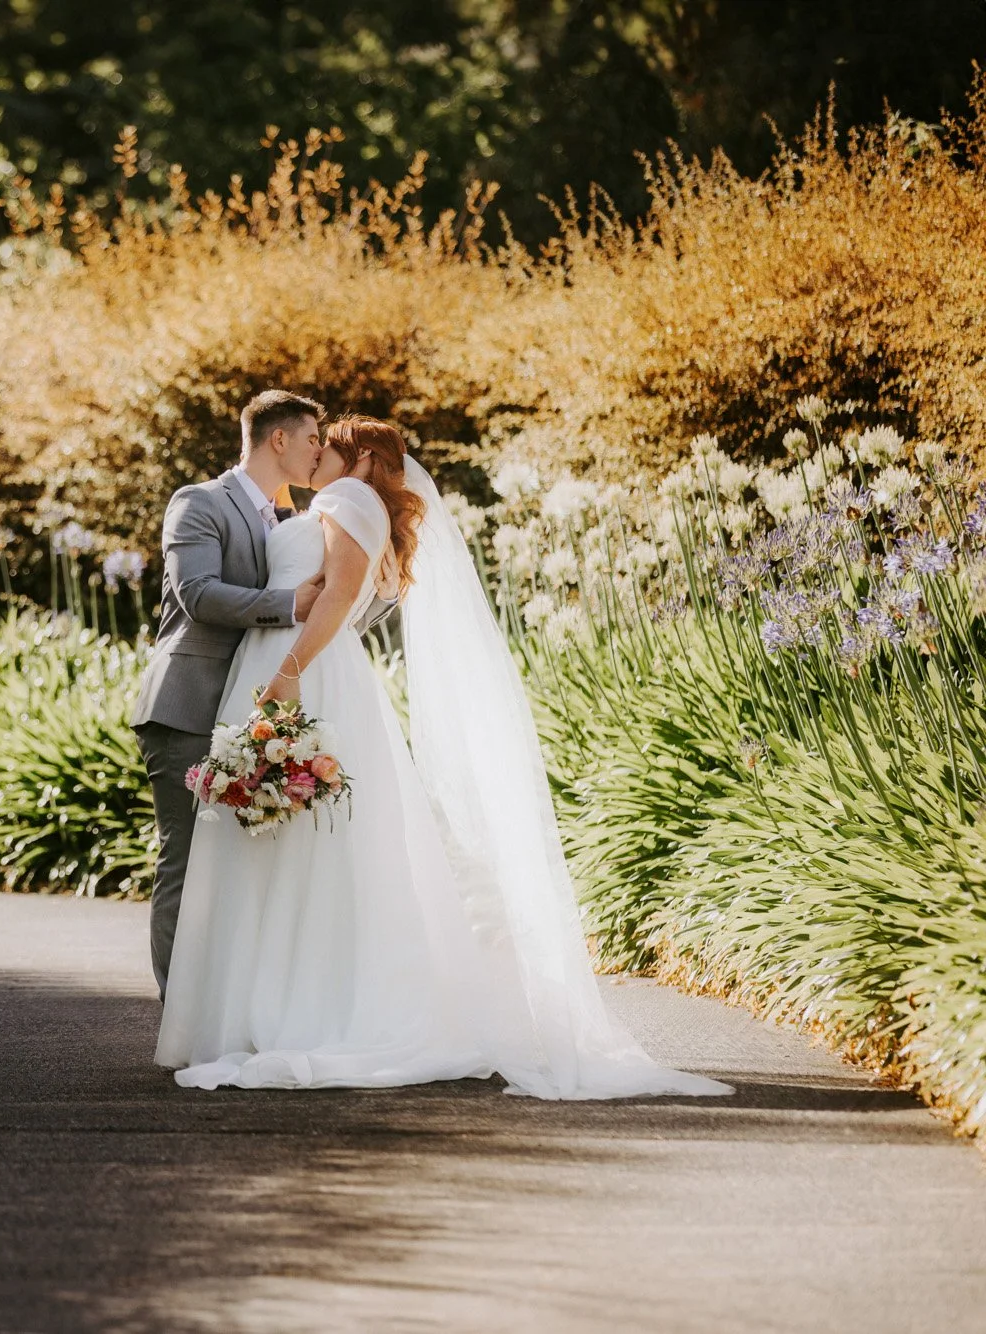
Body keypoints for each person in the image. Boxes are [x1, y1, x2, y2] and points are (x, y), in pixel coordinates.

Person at [154, 414, 732, 1100]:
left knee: (299, 848)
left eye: (327, 448)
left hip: (301, 670)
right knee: (302, 848)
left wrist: (287, 674)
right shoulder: (352, 507)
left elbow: (338, 599)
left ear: (361, 457)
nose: (315, 460)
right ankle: (282, 1004)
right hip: (307, 667)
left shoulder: (345, 502)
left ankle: (297, 1011)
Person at [129, 390, 328, 998]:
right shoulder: (198, 502)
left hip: (243, 713)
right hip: (188, 701)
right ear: (279, 439)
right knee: (186, 863)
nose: (320, 451)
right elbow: (199, 594)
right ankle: (179, 1013)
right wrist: (287, 603)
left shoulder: (289, 521)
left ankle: (226, 1006)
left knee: (239, 871)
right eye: (313, 439)